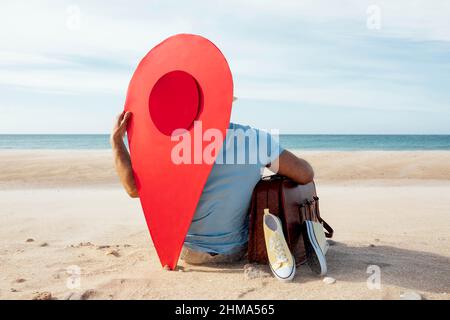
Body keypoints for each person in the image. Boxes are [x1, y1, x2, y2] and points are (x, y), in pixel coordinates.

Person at [111, 110, 314, 265]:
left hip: (186, 252)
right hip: (236, 250)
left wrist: (116, 142)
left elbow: (133, 189)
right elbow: (305, 175)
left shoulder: (172, 143)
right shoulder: (254, 138)